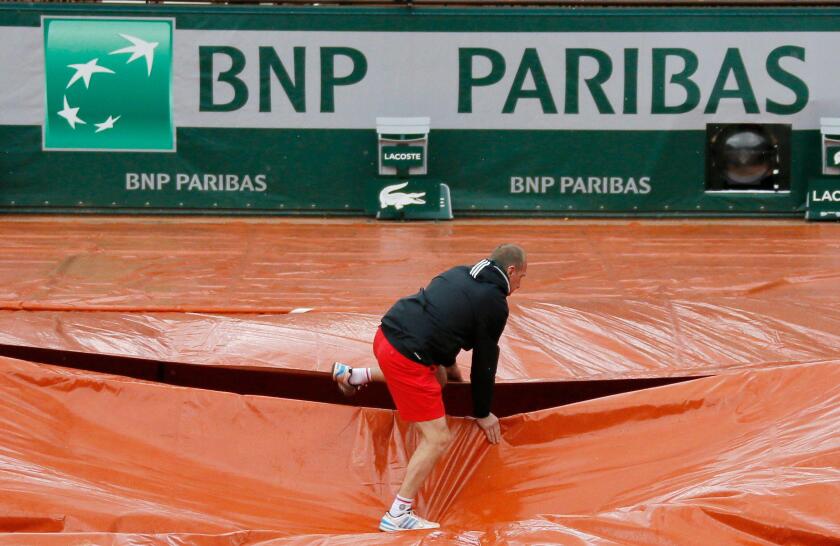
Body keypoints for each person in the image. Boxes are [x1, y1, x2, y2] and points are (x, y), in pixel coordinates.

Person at [331, 243, 527, 532]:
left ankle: (354, 376)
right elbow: (485, 363)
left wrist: (453, 375)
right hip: (405, 356)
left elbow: (442, 326)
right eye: (523, 277)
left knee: (440, 380)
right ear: (511, 270)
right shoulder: (494, 302)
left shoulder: (459, 274)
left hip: (386, 335)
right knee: (436, 439)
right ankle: (398, 514)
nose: (521, 284)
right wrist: (483, 412)